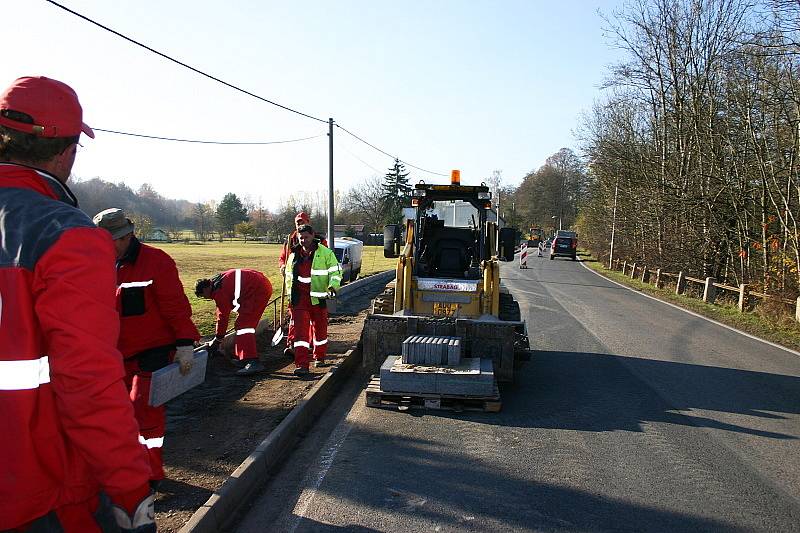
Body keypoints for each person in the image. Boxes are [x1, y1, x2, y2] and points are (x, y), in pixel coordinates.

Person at [0, 76, 155, 532]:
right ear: (67, 151)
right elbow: (87, 383)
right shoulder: (67, 236)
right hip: (36, 492)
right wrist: (130, 489)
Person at [94, 207, 200, 488]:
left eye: (109, 240)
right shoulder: (101, 263)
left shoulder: (156, 262)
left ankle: (149, 474)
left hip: (152, 352)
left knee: (144, 412)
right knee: (118, 414)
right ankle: (128, 468)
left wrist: (185, 343)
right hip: (116, 354)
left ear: (126, 236)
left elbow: (175, 306)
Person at [285, 224, 342, 376]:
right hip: (299, 300)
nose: (303, 240)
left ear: (313, 236)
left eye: (306, 237)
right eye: (300, 238)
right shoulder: (293, 255)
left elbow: (336, 273)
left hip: (319, 299)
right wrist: (291, 297)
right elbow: (289, 278)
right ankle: (302, 365)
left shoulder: (325, 253)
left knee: (320, 330)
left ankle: (319, 356)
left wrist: (333, 287)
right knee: (301, 334)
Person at [195, 269, 272, 375]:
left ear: (205, 289)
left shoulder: (219, 291)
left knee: (244, 326)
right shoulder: (217, 282)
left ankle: (252, 361)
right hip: (256, 287)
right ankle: (244, 358)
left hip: (258, 291)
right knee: (241, 325)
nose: (207, 298)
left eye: (204, 296)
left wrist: (218, 340)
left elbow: (222, 317)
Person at [278, 211, 327, 356]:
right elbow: (282, 258)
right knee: (295, 317)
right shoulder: (291, 241)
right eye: (298, 222)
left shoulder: (319, 241)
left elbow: (326, 258)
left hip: (315, 288)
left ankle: (312, 346)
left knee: (315, 320)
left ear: (308, 222)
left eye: (302, 221)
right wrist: (282, 266)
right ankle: (293, 343)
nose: (300, 224)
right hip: (295, 288)